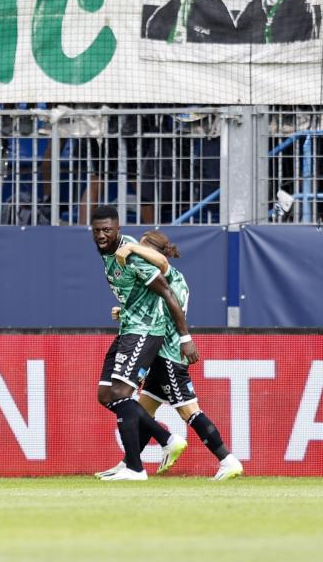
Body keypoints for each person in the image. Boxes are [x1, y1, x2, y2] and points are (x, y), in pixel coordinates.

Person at [95, 231, 243, 481]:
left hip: (168, 355)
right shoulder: (178, 278)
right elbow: (152, 309)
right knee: (141, 410)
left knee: (189, 412)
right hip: (162, 353)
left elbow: (159, 315)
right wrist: (126, 311)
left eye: (143, 252)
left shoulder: (163, 277)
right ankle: (129, 463)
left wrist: (185, 340)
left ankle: (227, 460)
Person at [90, 206, 196, 481]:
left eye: (107, 230)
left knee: (122, 393)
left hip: (146, 331)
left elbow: (168, 292)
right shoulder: (107, 252)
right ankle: (164, 439)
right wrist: (123, 310)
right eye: (97, 230)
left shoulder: (133, 256)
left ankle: (135, 467)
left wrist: (185, 338)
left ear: (118, 230)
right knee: (106, 395)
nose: (101, 235)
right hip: (128, 329)